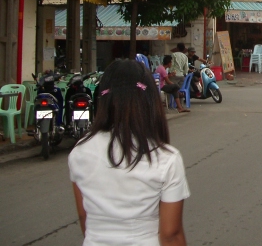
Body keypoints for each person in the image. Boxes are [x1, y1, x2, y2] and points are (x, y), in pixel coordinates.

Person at [68, 59, 190, 245]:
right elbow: (170, 234)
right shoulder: (166, 159)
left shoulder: (80, 151)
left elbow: (83, 217)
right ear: (150, 102)